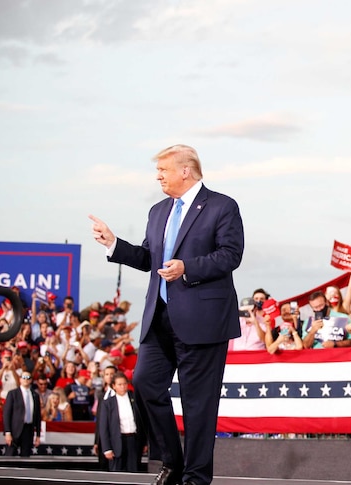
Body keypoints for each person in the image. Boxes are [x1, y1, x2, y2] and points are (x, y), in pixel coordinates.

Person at [90, 144, 245, 485]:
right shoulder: (158, 211)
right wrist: (114, 244)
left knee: (198, 405)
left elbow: (230, 255)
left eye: (163, 169)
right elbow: (148, 258)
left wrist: (187, 267)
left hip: (203, 322)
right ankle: (173, 462)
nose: (158, 175)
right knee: (144, 382)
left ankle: (196, 477)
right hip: (159, 319)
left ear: (186, 170)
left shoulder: (222, 206)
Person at [99, 372, 147, 472]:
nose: (123, 387)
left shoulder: (135, 399)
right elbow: (103, 427)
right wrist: (107, 448)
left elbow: (142, 422)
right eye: (119, 384)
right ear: (114, 386)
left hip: (134, 441)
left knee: (133, 470)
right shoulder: (108, 403)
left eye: (125, 384)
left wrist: (145, 442)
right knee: (117, 472)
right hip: (117, 442)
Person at [2, 370, 41, 457]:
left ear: (31, 380)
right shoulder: (13, 394)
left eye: (28, 378)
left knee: (26, 455)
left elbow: (38, 416)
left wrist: (38, 435)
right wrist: (7, 432)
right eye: (24, 377)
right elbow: (6, 414)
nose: (26, 379)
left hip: (28, 429)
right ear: (20, 379)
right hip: (14, 429)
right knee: (10, 455)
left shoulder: (35, 395)